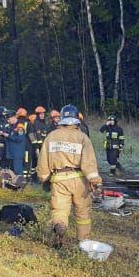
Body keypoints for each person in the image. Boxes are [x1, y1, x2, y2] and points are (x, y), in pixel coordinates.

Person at [36, 104, 102, 243]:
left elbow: (43, 161)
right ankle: (83, 242)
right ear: (77, 119)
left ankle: (60, 226)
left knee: (59, 210)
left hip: (59, 180)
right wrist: (95, 181)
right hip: (79, 181)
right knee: (82, 213)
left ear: (62, 119)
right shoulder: (82, 137)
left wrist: (44, 179)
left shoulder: (51, 137)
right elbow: (89, 163)